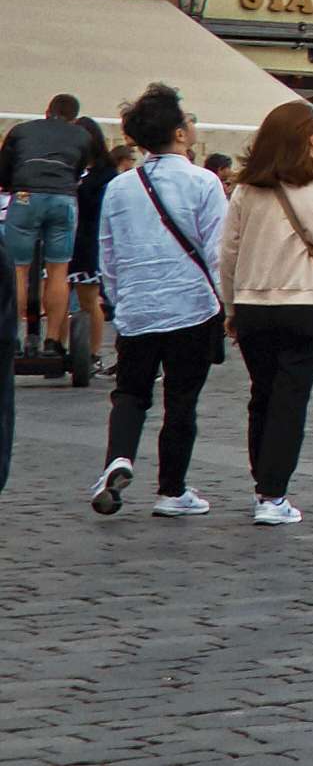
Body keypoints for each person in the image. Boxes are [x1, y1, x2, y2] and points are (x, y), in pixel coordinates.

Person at [216, 99, 313, 527]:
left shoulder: (246, 190)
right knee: (290, 399)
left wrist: (230, 305)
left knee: (262, 395)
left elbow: (228, 254)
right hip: (305, 304)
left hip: (253, 305)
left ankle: (262, 482)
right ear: (305, 138)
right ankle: (273, 493)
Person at [93, 82, 229, 517]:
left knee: (130, 393)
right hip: (192, 305)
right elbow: (217, 249)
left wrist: (117, 299)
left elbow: (107, 252)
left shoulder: (120, 187)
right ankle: (172, 490)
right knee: (181, 399)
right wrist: (228, 303)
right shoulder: (204, 181)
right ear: (180, 133)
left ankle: (119, 457)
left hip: (138, 307)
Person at [8, 94, 102, 385]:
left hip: (25, 195)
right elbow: (78, 172)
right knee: (59, 270)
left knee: (18, 269)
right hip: (63, 198)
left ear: (47, 112)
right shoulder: (81, 135)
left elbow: (5, 170)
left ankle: (12, 339)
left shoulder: (22, 130)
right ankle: (51, 341)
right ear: (74, 117)